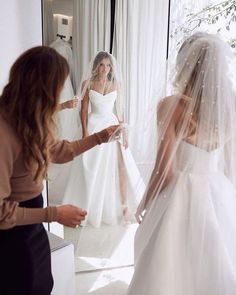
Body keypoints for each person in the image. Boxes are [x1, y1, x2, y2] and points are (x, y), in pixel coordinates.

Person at [0, 46, 118, 295]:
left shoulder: (27, 118)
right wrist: (53, 213)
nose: (58, 97)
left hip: (31, 230)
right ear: (40, 88)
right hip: (12, 239)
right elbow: (1, 212)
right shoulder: (3, 131)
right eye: (57, 87)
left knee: (44, 284)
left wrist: (99, 137)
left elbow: (59, 150)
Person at [127, 32, 236, 295]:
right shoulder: (230, 103)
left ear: (185, 64)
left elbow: (164, 170)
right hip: (217, 190)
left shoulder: (170, 105)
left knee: (168, 264)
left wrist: (145, 202)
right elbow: (229, 165)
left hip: (181, 192)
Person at [63, 51, 145, 227]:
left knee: (120, 167)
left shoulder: (116, 84)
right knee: (90, 166)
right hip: (93, 125)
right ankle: (86, 207)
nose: (105, 69)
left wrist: (125, 133)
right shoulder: (88, 83)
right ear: (96, 66)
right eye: (102, 65)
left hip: (112, 126)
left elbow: (120, 112)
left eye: (108, 65)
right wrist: (85, 132)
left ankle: (123, 208)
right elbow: (83, 110)